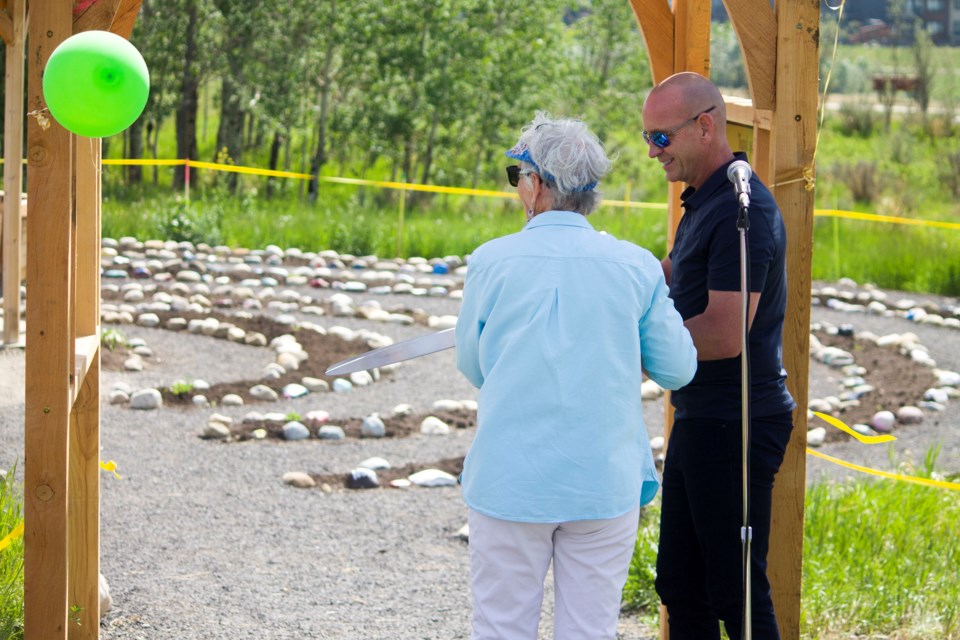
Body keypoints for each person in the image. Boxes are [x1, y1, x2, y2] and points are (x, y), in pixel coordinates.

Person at [454, 112, 697, 640]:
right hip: (601, 482)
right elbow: (678, 367)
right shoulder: (634, 265)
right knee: (589, 630)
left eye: (516, 176)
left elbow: (472, 365)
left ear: (536, 184)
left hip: (509, 480)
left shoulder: (491, 261)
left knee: (500, 628)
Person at [641, 72, 797, 640]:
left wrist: (631, 347)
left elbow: (724, 333)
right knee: (681, 588)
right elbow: (671, 279)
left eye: (661, 138)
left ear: (705, 125)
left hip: (736, 422)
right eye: (646, 139)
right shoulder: (704, 201)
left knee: (738, 595)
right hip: (703, 414)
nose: (653, 152)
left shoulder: (742, 207)